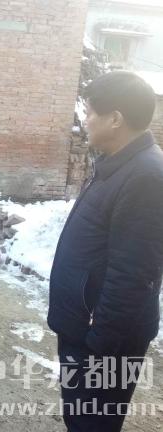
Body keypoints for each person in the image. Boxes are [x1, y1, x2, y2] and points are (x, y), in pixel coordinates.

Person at [48, 71, 163, 431]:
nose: (85, 120)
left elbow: (133, 275)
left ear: (115, 119)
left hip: (103, 341)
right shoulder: (118, 164)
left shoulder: (147, 177)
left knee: (93, 421)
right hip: (85, 326)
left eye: (90, 112)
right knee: (80, 415)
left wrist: (99, 344)